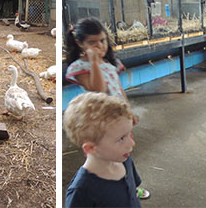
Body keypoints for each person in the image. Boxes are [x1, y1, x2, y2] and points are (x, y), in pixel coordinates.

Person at [63, 17, 150, 199]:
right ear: (80, 43)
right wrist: (94, 62)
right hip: (101, 125)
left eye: (102, 41)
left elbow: (119, 89)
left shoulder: (111, 64)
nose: (99, 46)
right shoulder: (78, 67)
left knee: (125, 151)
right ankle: (110, 190)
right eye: (92, 43)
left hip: (118, 120)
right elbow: (98, 90)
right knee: (105, 155)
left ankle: (130, 186)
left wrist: (128, 112)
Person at [63, 92, 142, 207]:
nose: (132, 143)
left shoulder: (125, 160)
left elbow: (133, 192)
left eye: (129, 134)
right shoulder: (81, 191)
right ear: (91, 148)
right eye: (121, 138)